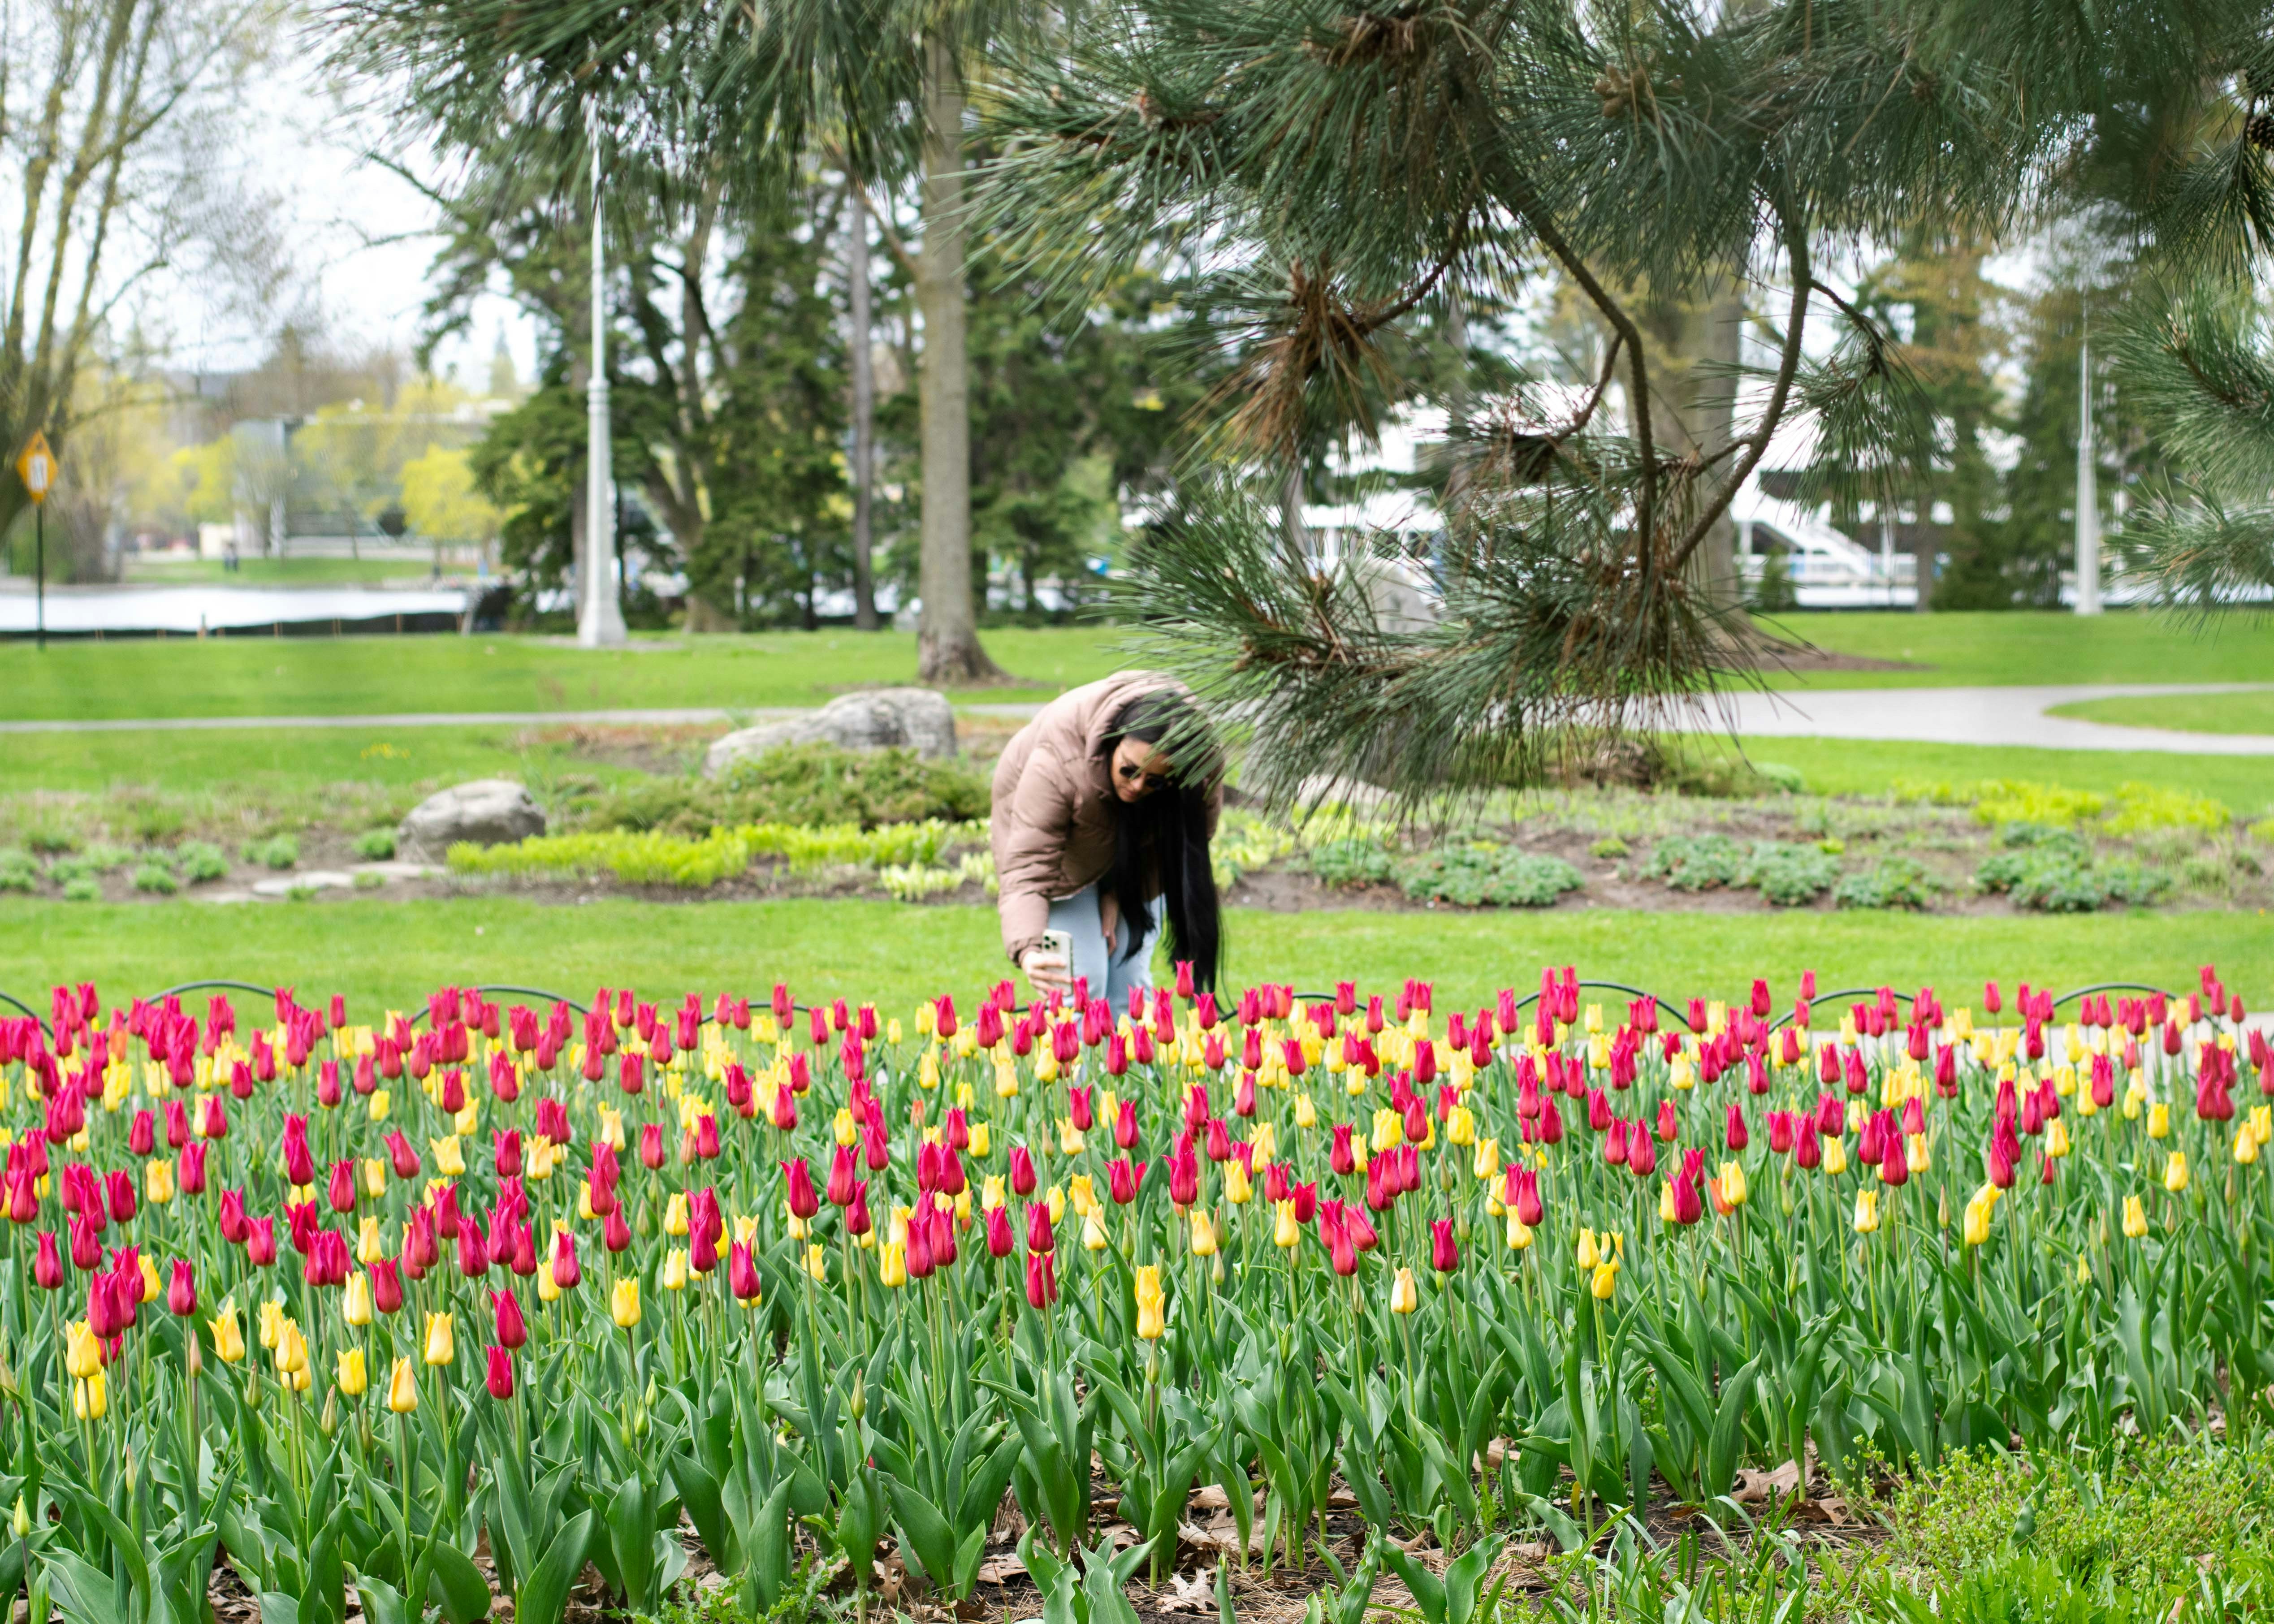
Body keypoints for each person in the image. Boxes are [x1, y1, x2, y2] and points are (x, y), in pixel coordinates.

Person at [992, 672, 1223, 1002]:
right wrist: (1028, 949)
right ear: (1114, 742)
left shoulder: (1199, 771)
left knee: (1128, 984)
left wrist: (1119, 890)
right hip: (1062, 854)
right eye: (1129, 770)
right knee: (1082, 982)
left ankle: (1126, 1055)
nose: (1138, 786)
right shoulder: (1058, 764)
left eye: (1156, 782)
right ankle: (1074, 1054)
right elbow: (1029, 866)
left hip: (1132, 854)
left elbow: (1174, 850)